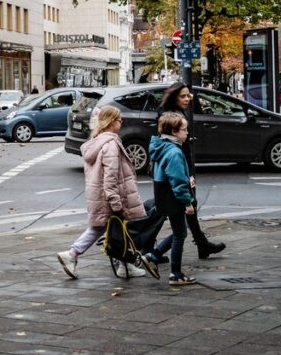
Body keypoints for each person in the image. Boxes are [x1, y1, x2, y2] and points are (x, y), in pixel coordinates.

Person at [58, 105, 153, 279]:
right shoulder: (110, 145)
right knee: (114, 229)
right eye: (118, 119)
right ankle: (72, 254)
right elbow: (110, 177)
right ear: (110, 122)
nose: (121, 121)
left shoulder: (97, 141)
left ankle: (125, 265)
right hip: (109, 197)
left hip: (98, 195)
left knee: (110, 229)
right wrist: (115, 200)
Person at [157, 82, 226, 259]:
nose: (187, 99)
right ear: (174, 97)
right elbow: (175, 148)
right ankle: (153, 254)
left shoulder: (176, 112)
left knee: (182, 208)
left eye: (188, 96)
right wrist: (187, 174)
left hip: (181, 167)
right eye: (183, 96)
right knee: (179, 211)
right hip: (177, 169)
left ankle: (201, 244)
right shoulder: (170, 116)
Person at [143, 112, 198, 286]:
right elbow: (178, 182)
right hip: (173, 196)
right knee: (180, 234)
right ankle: (175, 274)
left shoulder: (161, 146)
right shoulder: (174, 151)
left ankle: (154, 256)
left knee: (179, 232)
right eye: (184, 129)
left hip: (163, 193)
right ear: (174, 131)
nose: (187, 133)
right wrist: (188, 202)